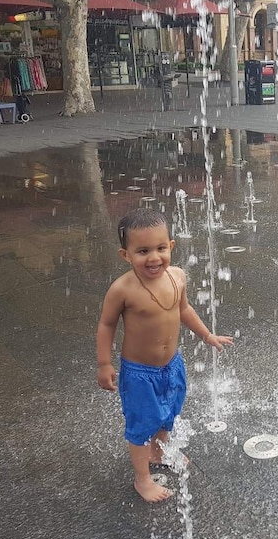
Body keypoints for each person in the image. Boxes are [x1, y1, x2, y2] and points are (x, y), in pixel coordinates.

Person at [97, 208, 234, 502]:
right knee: (142, 422)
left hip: (171, 365)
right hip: (139, 373)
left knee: (168, 414)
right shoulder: (122, 289)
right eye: (143, 251)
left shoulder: (177, 277)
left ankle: (158, 452)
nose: (154, 258)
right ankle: (142, 478)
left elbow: (184, 310)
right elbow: (106, 324)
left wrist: (207, 335)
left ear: (171, 246)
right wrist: (104, 363)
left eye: (160, 248)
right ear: (126, 255)